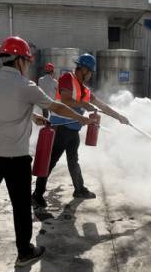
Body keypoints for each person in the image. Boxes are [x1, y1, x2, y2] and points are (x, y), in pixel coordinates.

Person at [0, 37, 91, 267]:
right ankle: (24, 252)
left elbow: (2, 108)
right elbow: (56, 106)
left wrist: (32, 116)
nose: (28, 65)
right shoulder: (26, 86)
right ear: (20, 61)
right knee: (21, 205)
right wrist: (80, 117)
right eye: (27, 61)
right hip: (14, 156)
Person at [31, 53, 129, 207]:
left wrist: (119, 117)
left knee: (73, 160)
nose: (90, 76)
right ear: (83, 69)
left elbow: (102, 106)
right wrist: (84, 104)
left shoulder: (85, 90)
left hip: (73, 130)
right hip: (60, 129)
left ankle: (79, 189)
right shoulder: (67, 78)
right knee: (50, 162)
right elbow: (65, 100)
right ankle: (37, 194)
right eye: (90, 72)